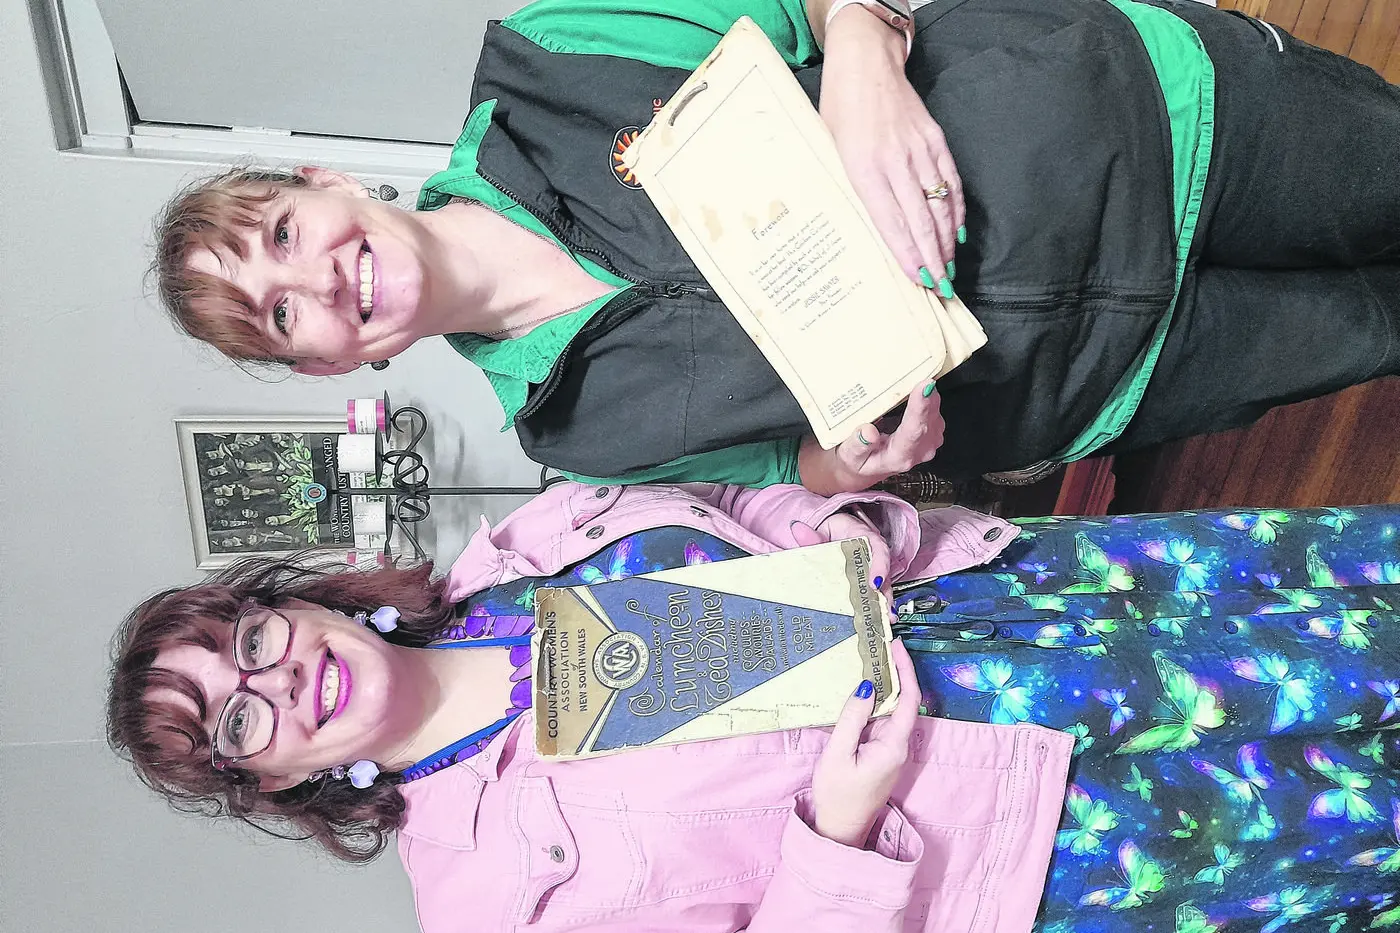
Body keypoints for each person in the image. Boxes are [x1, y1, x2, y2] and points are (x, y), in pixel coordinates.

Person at [150, 0, 1400, 494]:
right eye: (278, 315)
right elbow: (788, 470)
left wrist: (859, 52)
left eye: (280, 234)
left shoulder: (546, 61)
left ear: (320, 182)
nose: (314, 279)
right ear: (327, 369)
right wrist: (849, 461)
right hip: (1113, 374)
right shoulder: (572, 439)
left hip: (1154, 122)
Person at [109, 482, 1400, 931]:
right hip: (1040, 816)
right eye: (239, 721)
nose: (275, 678)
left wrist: (830, 524)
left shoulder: (516, 555)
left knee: (1347, 604)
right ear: (271, 785)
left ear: (290, 601)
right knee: (1361, 801)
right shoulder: (482, 897)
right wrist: (835, 833)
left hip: (1023, 609)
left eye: (250, 639)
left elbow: (738, 515)